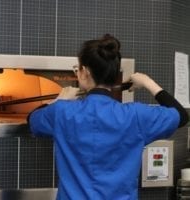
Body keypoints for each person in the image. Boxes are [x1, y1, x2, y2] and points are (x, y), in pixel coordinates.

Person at [27, 34, 189, 200]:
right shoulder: (136, 115)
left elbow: (32, 120)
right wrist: (147, 82)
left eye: (78, 69)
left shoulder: (62, 112)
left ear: (85, 72)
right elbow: (182, 116)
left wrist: (59, 99)